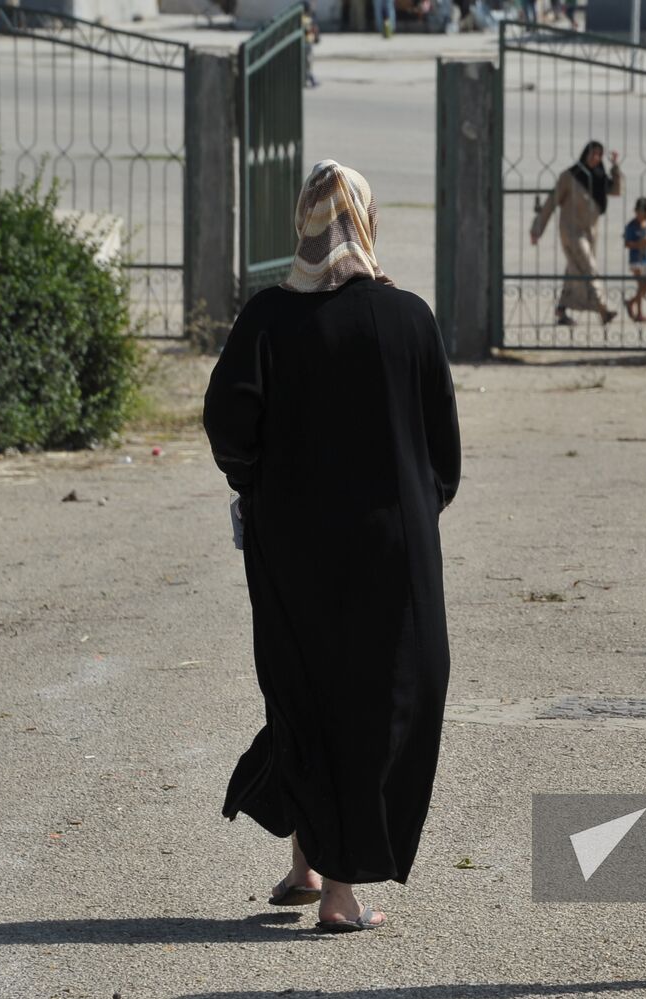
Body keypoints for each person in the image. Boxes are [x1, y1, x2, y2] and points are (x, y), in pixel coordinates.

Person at [203, 160, 460, 933]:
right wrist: (412, 506)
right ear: (367, 223)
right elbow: (441, 452)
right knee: (386, 700)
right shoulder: (409, 318)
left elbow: (228, 425)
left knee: (306, 691)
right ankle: (342, 897)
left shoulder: (268, 320)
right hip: (393, 550)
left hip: (292, 549)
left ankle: (306, 866)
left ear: (305, 226)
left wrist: (262, 488)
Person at [530, 140, 622, 327]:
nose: (595, 158)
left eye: (598, 154)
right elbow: (551, 202)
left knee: (574, 269)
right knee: (589, 268)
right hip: (571, 231)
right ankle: (603, 310)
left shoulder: (599, 177)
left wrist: (615, 168)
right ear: (585, 154)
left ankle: (562, 308)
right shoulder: (570, 176)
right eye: (592, 154)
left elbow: (616, 191)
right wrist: (537, 229)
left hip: (590, 233)